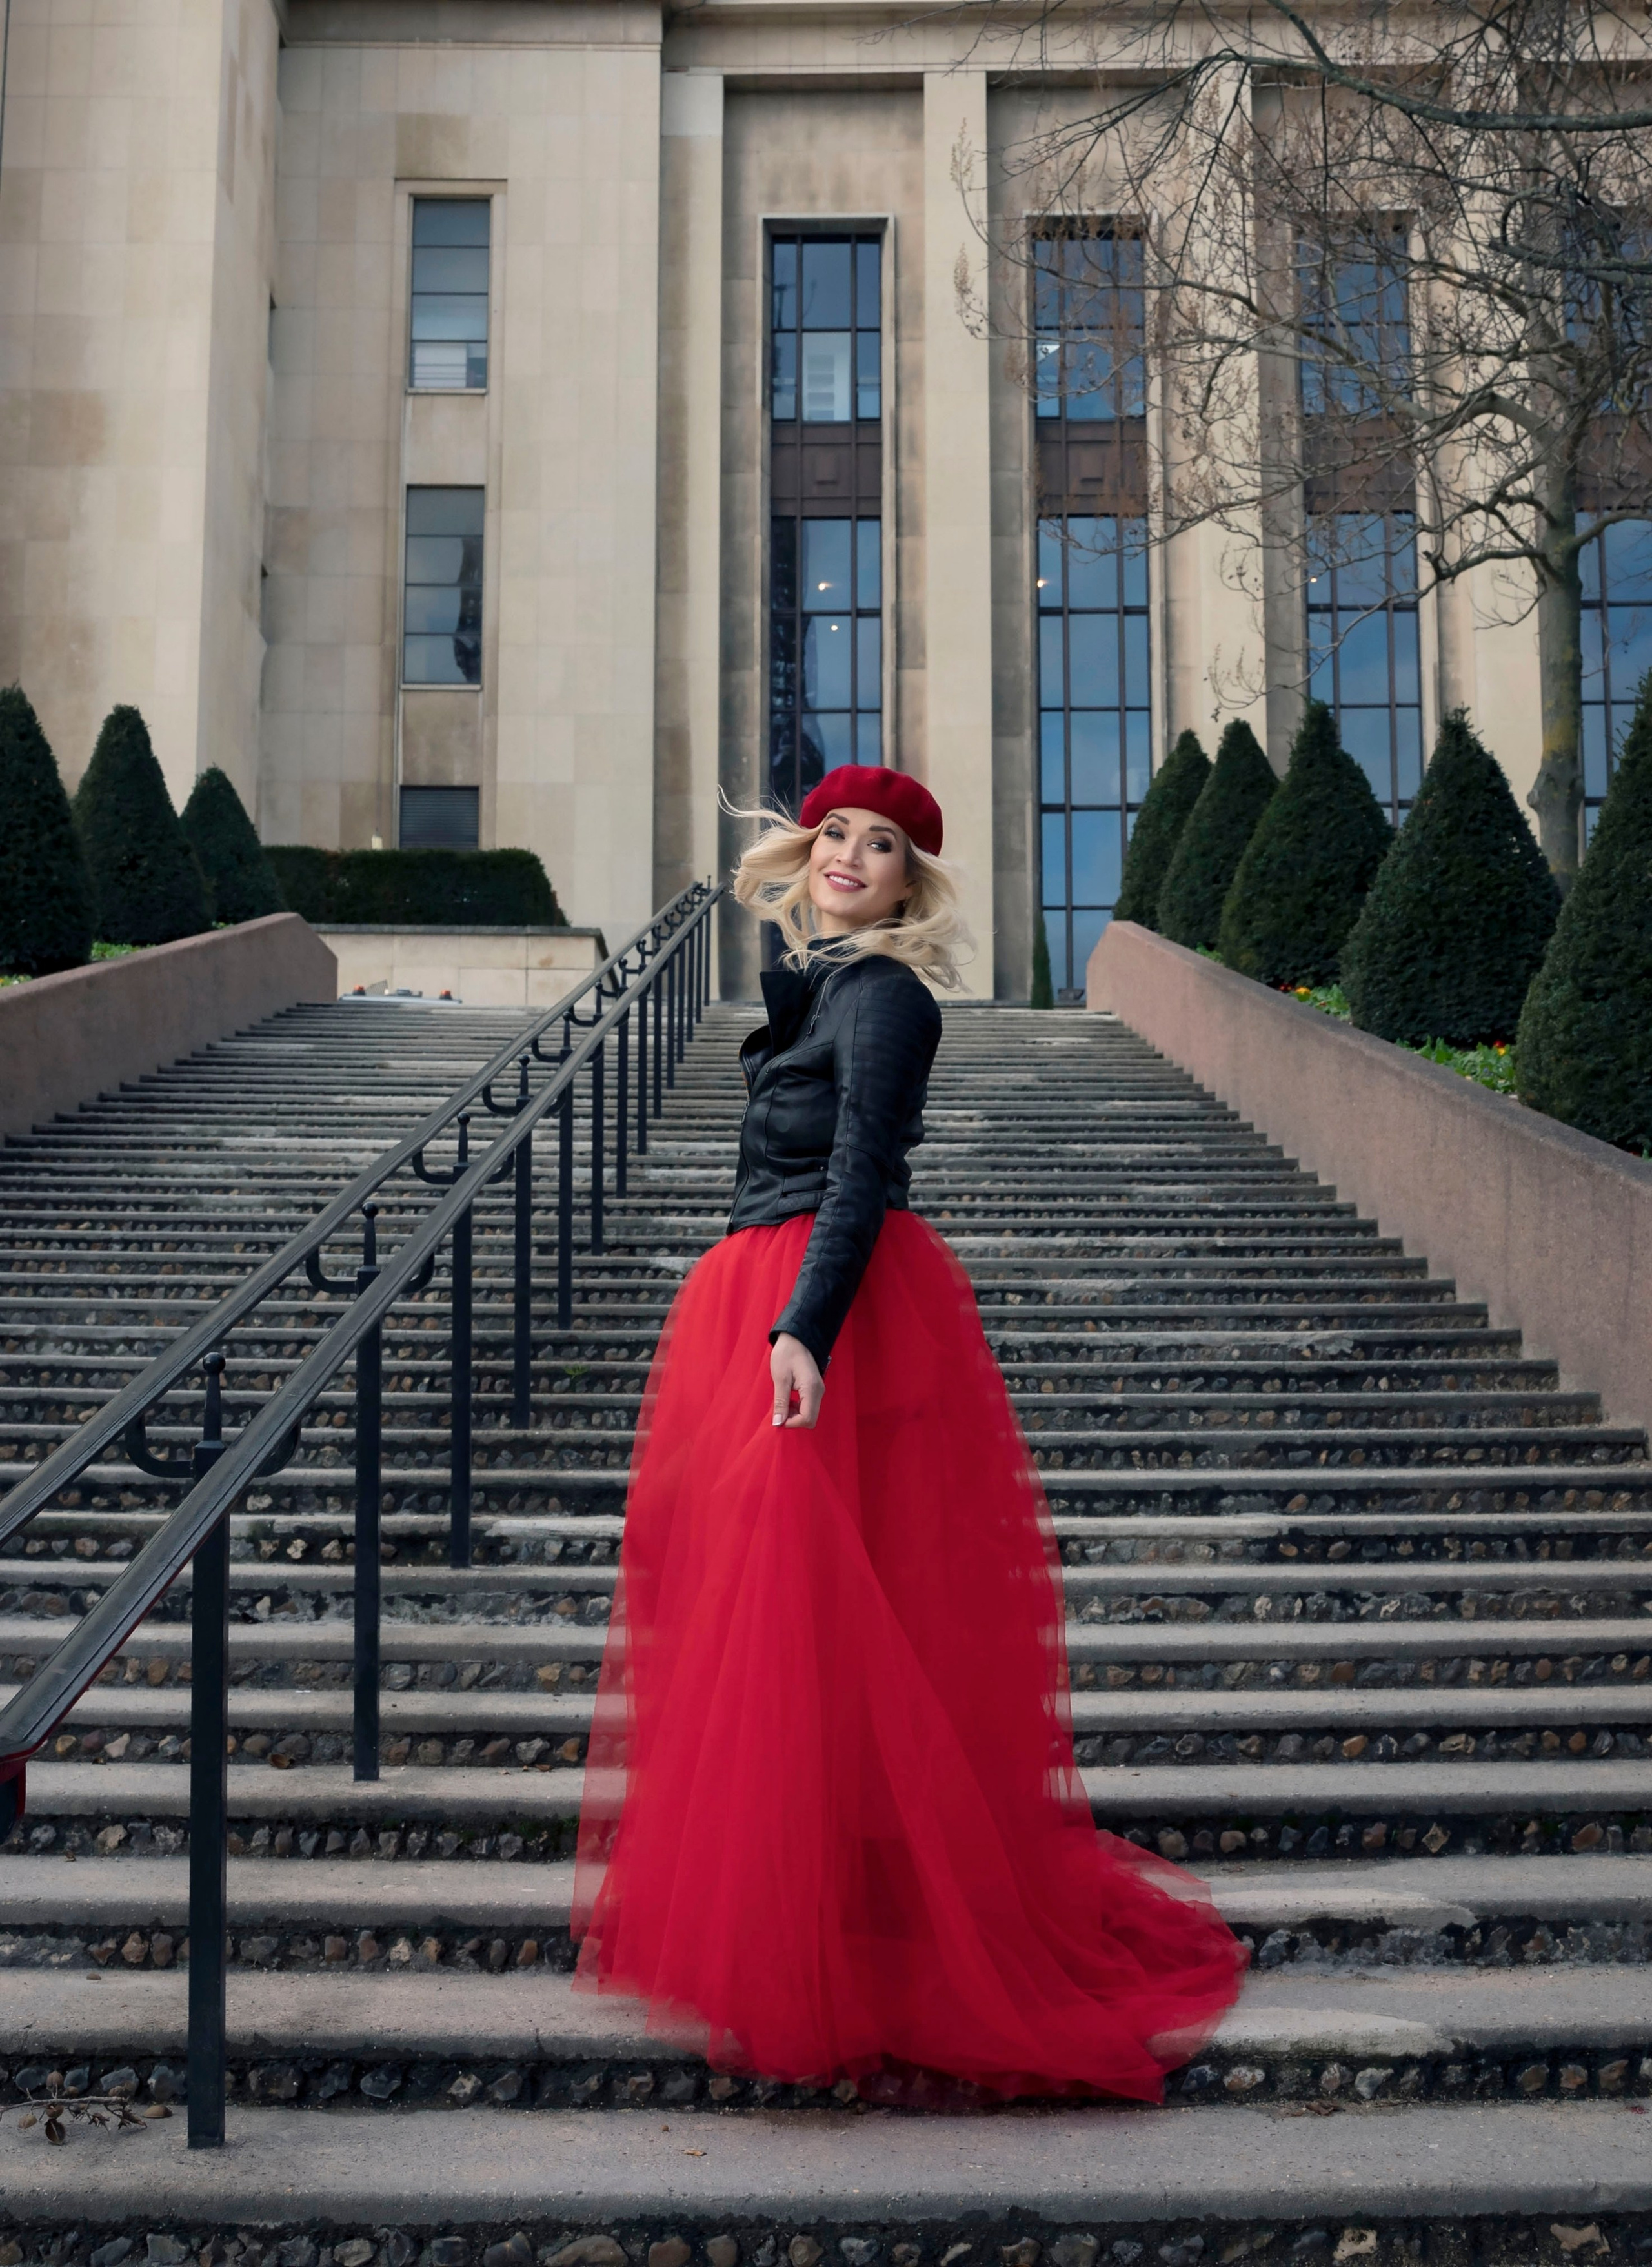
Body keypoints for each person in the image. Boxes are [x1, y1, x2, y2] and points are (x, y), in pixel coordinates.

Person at [571, 766, 1245, 2102]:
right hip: (760, 1295)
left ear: (908, 883)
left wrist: (804, 1331)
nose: (851, 857)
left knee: (817, 1614)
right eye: (835, 836)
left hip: (822, 1310)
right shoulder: (819, 987)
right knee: (775, 1621)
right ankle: (818, 1906)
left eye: (882, 846)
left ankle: (850, 1935)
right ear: (805, 851)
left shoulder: (884, 996)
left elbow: (863, 1166)